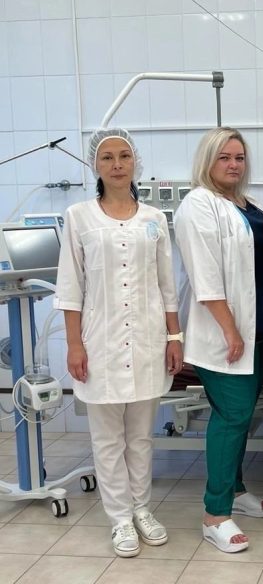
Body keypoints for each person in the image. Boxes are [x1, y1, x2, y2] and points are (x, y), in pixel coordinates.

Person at [54, 128, 183, 558]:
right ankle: (120, 519)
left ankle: (142, 509)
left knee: (141, 437)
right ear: (95, 165)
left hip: (147, 341)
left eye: (124, 156)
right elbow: (70, 287)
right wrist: (74, 345)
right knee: (108, 440)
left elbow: (167, 285)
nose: (116, 164)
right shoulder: (79, 217)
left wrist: (174, 337)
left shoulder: (154, 219)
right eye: (107, 157)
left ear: (135, 162)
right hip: (101, 343)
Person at [174, 127, 263, 554]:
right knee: (233, 416)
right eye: (224, 157)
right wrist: (229, 328)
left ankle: (235, 490)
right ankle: (215, 514)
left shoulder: (246, 204)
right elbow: (205, 276)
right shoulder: (198, 205)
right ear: (208, 161)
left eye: (239, 157)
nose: (234, 164)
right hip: (226, 334)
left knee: (241, 414)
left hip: (260, 329)